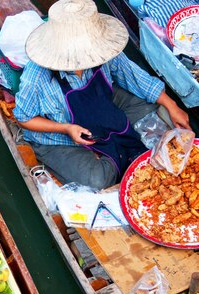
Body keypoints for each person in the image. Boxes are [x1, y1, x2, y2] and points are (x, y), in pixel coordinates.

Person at [13, 0, 191, 190]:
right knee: (98, 180)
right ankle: (112, 153)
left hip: (101, 101)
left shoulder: (102, 49)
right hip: (59, 134)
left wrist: (172, 106)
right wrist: (66, 129)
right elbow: (24, 119)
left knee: (149, 108)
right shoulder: (36, 77)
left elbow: (133, 76)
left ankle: (119, 142)